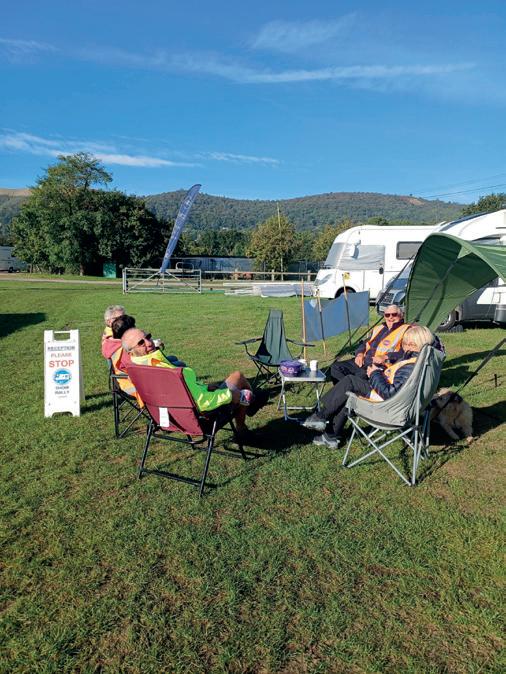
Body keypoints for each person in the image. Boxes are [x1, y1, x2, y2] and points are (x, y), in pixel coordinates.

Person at [303, 325, 435, 448]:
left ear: (414, 344)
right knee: (348, 386)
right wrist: (377, 372)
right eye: (404, 343)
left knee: (350, 383)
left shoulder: (410, 365)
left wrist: (374, 373)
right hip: (399, 402)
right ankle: (329, 432)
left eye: (406, 343)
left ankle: (321, 417)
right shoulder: (422, 361)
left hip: (388, 406)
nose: (404, 347)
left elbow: (389, 393)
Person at [121, 328, 265, 434]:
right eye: (141, 343)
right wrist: (230, 395)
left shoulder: (135, 370)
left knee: (225, 385)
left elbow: (181, 394)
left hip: (170, 418)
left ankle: (250, 406)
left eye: (148, 337)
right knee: (238, 378)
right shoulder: (167, 372)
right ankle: (246, 416)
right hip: (201, 418)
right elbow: (202, 402)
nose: (149, 343)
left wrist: (206, 388)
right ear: (130, 352)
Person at [330, 305, 410, 384]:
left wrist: (385, 357)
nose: (390, 317)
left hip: (381, 365)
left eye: (394, 314)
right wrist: (359, 354)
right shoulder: (379, 328)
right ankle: (345, 389)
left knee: (358, 376)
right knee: (336, 367)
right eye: (387, 315)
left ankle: (351, 388)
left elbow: (406, 352)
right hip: (364, 361)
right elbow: (365, 343)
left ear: (401, 315)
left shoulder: (406, 330)